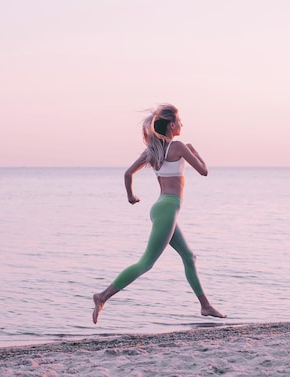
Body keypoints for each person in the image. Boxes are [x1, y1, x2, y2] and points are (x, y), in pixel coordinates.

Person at [92, 104, 226, 324]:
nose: (182, 124)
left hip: (160, 208)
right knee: (146, 263)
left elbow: (128, 174)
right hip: (168, 208)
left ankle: (205, 306)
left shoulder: (153, 151)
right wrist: (194, 151)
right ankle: (102, 296)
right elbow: (204, 171)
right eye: (180, 121)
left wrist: (131, 197)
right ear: (172, 125)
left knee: (189, 257)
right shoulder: (179, 146)